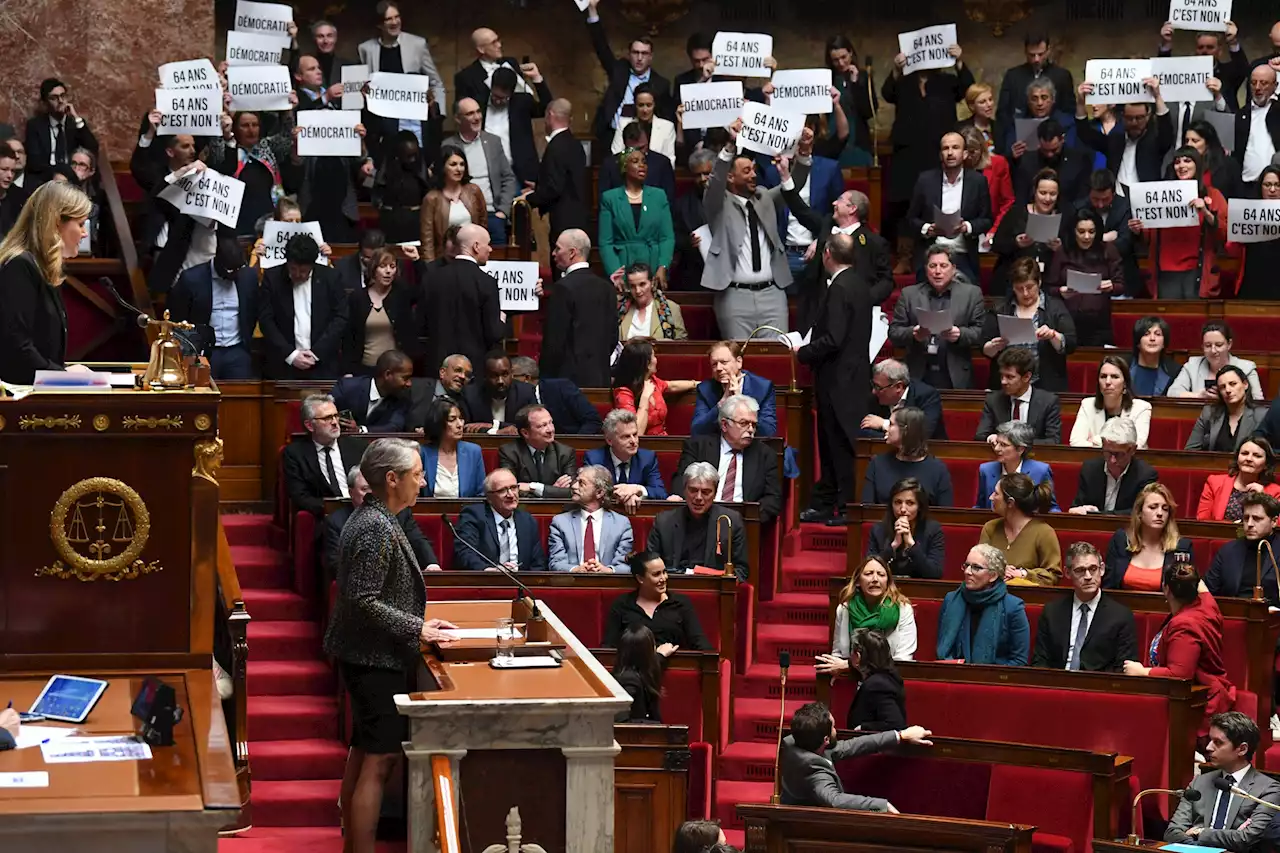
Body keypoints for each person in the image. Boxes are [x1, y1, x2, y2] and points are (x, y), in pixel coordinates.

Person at [323, 438, 457, 853]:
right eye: (417, 474)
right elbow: (363, 601)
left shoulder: (377, 518)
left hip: (369, 654)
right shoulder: (376, 527)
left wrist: (418, 624)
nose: (423, 481)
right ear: (393, 478)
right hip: (372, 659)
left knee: (364, 751)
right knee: (378, 762)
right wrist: (417, 629)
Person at [1123, 562, 1236, 741]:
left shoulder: (1184, 626)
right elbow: (1202, 586)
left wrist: (1142, 672)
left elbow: (1180, 674)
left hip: (1195, 708)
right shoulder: (1207, 604)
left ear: (1166, 589)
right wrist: (1186, 569)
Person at [884, 42, 976, 263]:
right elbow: (887, 93)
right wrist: (897, 69)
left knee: (934, 198)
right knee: (905, 202)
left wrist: (959, 61)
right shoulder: (904, 81)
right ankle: (905, 257)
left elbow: (967, 87)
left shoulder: (946, 81)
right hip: (907, 151)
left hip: (937, 150)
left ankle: (939, 253)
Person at [700, 123, 793, 338]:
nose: (754, 175)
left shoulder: (764, 197)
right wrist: (730, 147)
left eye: (753, 169)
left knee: (775, 358)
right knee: (738, 361)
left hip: (773, 294)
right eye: (746, 171)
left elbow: (791, 187)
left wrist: (801, 159)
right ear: (731, 178)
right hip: (734, 296)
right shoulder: (717, 204)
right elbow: (714, 183)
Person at [776, 162, 892, 335]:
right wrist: (785, 176)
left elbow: (887, 281)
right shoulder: (826, 227)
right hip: (817, 312)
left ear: (852, 209)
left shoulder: (873, 242)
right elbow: (801, 210)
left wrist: (864, 298)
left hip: (852, 317)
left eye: (840, 200)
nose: (834, 203)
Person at [0, 181, 92, 383]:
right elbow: (16, 347)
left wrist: (64, 371)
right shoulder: (20, 266)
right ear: (57, 222)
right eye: (80, 224)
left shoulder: (42, 268)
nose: (84, 233)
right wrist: (63, 377)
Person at [779, 701, 933, 812]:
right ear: (825, 740)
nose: (836, 730)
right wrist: (882, 805)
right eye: (833, 727)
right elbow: (835, 800)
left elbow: (851, 746)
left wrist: (900, 735)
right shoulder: (814, 772)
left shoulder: (798, 741)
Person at [1165, 711, 1280, 850]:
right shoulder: (1199, 782)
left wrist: (1201, 833)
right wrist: (1199, 848)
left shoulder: (1268, 790)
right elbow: (1172, 833)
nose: (1208, 747)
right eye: (1210, 740)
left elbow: (1245, 838)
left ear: (1242, 749)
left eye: (1218, 743)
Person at [1131, 147, 1229, 298]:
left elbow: (1225, 233)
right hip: (1165, 271)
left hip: (1197, 272)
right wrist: (1138, 230)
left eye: (1187, 161)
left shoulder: (1213, 195)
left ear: (1197, 164)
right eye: (1177, 162)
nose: (1181, 165)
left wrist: (1206, 212)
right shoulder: (1160, 194)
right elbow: (1148, 236)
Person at [889, 244, 988, 390]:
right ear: (926, 269)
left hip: (954, 372)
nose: (937, 271)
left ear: (953, 269)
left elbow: (980, 332)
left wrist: (960, 334)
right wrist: (913, 333)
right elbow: (894, 332)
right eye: (933, 266)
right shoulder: (909, 294)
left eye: (943, 266)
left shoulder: (971, 294)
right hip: (919, 371)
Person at [671, 395, 783, 524]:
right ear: (724, 425)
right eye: (744, 423)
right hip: (699, 521)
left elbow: (773, 499)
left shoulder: (765, 455)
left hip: (744, 525)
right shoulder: (698, 447)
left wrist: (747, 518)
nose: (751, 430)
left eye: (754, 424)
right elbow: (681, 480)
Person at [1032, 542, 1137, 671]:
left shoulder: (1121, 616)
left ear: (1102, 569)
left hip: (1098, 687)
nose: (1088, 576)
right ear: (1067, 572)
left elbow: (1122, 667)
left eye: (1093, 569)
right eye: (1080, 570)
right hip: (1058, 684)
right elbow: (1040, 660)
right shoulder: (1052, 612)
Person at [166, 234, 259, 380]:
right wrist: (189, 352)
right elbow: (178, 318)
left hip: (237, 349)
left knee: (242, 394)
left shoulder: (248, 276)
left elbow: (252, 312)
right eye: (230, 271)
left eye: (238, 269)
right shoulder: (191, 279)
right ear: (217, 261)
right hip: (203, 351)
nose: (235, 274)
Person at [257, 234, 349, 380]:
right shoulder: (272, 278)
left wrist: (317, 352)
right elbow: (266, 320)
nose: (297, 274)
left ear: (312, 265)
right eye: (293, 269)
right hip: (283, 365)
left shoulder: (330, 277)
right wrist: (291, 355)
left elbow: (340, 317)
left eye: (303, 271)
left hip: (322, 365)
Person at [903, 132, 992, 280]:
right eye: (946, 148)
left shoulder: (977, 182)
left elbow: (986, 219)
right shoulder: (925, 180)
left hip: (962, 255)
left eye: (955, 147)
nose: (950, 153)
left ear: (964, 154)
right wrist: (928, 229)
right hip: (932, 253)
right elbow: (911, 219)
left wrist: (967, 227)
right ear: (940, 154)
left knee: (969, 294)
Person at [583, 0, 672, 148]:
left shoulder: (661, 84)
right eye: (635, 53)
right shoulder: (619, 70)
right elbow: (601, 47)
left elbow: (664, 120)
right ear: (629, 54)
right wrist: (592, 11)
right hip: (610, 136)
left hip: (643, 141)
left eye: (644, 53)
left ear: (651, 57)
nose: (639, 58)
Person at [324, 464, 439, 579]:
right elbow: (334, 564)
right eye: (364, 489)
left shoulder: (400, 513)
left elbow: (417, 540)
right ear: (351, 492)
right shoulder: (336, 522)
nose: (370, 495)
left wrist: (431, 563)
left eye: (373, 489)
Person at [981, 257, 1077, 394]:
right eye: (1019, 289)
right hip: (1006, 386)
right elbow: (984, 348)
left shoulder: (1055, 308)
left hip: (1045, 386)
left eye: (1030, 287)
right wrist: (994, 346)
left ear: (1039, 282)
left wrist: (1053, 336)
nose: (1025, 293)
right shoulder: (999, 309)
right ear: (1013, 287)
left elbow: (1070, 344)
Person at [419, 223, 504, 376]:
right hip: (472, 369)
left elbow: (421, 323)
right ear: (476, 246)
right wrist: (502, 319)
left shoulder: (431, 278)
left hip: (437, 365)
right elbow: (493, 334)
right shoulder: (487, 282)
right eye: (488, 244)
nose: (490, 249)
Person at [204, 110, 301, 238]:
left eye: (255, 125)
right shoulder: (228, 150)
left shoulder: (267, 147)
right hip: (236, 223)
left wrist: (288, 109)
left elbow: (286, 136)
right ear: (236, 129)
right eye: (245, 125)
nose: (251, 130)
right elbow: (218, 155)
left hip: (268, 221)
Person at [540, 230, 617, 389]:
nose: (553, 254)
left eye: (558, 249)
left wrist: (545, 378)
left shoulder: (562, 288)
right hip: (600, 378)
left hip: (568, 383)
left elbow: (554, 343)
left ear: (572, 253)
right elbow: (612, 338)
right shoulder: (607, 288)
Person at [647, 462, 748, 581]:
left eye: (706, 492)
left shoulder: (731, 521)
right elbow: (649, 566)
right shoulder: (664, 522)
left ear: (715, 494)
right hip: (671, 588)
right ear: (684, 490)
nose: (699, 497)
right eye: (693, 490)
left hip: (712, 590)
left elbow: (741, 571)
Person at [936, 544, 1031, 665]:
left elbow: (1019, 660)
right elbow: (941, 647)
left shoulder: (1013, 607)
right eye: (966, 566)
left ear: (993, 576)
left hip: (994, 679)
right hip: (954, 675)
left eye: (976, 567)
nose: (967, 572)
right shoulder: (951, 600)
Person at [1074, 79, 1174, 194]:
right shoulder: (1114, 139)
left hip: (1146, 200)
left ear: (1147, 116)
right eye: (1130, 118)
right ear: (1122, 117)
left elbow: (1166, 130)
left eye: (1139, 118)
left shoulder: (1155, 141)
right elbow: (1084, 133)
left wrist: (1157, 96)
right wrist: (1081, 102)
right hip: (1117, 200)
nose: (1134, 123)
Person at [821, 555, 918, 670]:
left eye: (881, 575)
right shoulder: (845, 609)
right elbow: (838, 654)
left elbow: (904, 661)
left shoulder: (903, 610)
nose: (875, 579)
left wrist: (850, 666)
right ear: (858, 581)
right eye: (868, 574)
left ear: (888, 581)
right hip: (852, 679)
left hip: (888, 680)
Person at [1047, 207, 1125, 346]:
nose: (1087, 237)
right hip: (1067, 320)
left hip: (1098, 322)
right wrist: (1061, 291)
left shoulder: (1108, 250)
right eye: (1081, 232)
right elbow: (1049, 287)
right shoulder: (1063, 252)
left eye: (1092, 232)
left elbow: (1121, 285)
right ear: (1073, 231)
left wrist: (1111, 286)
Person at [603, 551, 712, 652]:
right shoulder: (622, 605)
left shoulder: (681, 603)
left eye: (664, 572)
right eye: (656, 574)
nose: (663, 578)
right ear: (640, 578)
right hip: (634, 670)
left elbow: (699, 642)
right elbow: (609, 647)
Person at [443, 98, 517, 243]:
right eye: (470, 114)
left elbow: (508, 178)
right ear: (458, 118)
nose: (477, 117)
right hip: (463, 217)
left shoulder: (493, 142)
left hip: (493, 216)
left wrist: (503, 211)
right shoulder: (448, 145)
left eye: (478, 112)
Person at [523, 98, 589, 251]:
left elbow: (553, 189)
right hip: (579, 217)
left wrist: (529, 198)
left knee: (562, 267)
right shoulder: (575, 144)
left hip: (562, 222)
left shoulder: (555, 147)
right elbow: (568, 180)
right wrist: (540, 185)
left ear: (550, 115)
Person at [599, 147, 675, 279]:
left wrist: (663, 267)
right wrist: (615, 273)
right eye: (635, 161)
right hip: (623, 266)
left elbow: (666, 237)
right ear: (624, 167)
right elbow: (606, 242)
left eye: (644, 162)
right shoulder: (610, 198)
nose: (642, 165)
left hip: (653, 267)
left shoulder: (659, 196)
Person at [452, 468, 548, 572]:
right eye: (502, 490)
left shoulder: (527, 521)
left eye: (514, 488)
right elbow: (465, 553)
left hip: (520, 583)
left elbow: (538, 563)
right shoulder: (474, 516)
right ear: (489, 497)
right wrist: (488, 570)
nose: (511, 495)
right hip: (487, 583)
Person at [357, 1, 447, 109]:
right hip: (379, 116)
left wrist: (437, 109)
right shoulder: (365, 49)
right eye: (388, 19)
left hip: (409, 116)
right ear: (379, 24)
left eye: (397, 17)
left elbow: (436, 82)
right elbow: (360, 85)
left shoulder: (417, 44)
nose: (394, 22)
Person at [281, 395, 360, 516]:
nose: (334, 422)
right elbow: (300, 496)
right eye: (327, 418)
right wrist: (334, 510)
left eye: (335, 416)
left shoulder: (357, 447)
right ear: (309, 426)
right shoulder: (295, 453)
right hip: (325, 516)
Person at [1104, 482, 1193, 591]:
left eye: (1165, 509)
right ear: (1139, 513)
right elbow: (1108, 586)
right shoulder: (1121, 541)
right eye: (1153, 507)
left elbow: (1186, 593)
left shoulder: (1182, 547)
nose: (1160, 513)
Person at [979, 472, 1062, 586]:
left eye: (996, 494)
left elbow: (1053, 575)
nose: (991, 497)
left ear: (1010, 502)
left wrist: (1023, 573)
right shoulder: (990, 528)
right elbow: (978, 565)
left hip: (1028, 598)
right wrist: (999, 571)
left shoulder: (1044, 532)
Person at [862, 407, 954, 508]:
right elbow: (867, 511)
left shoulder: (938, 469)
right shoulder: (877, 464)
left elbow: (945, 514)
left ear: (905, 430)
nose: (886, 428)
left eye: (891, 424)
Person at [344, 247, 417, 376]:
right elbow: (350, 338)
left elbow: (423, 290)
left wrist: (417, 261)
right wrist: (348, 370)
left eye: (392, 266)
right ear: (373, 269)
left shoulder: (402, 295)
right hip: (364, 369)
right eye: (383, 266)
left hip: (396, 370)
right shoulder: (358, 298)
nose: (388, 271)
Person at [548, 465, 634, 573]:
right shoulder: (560, 522)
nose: (574, 486)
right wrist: (576, 569)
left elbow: (625, 565)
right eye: (576, 481)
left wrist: (607, 570)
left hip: (607, 583)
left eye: (581, 483)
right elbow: (556, 563)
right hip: (572, 584)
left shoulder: (621, 524)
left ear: (599, 493)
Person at [995, 33, 1076, 147]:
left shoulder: (1062, 75)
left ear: (1048, 51)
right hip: (1019, 138)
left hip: (1055, 140)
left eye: (1040, 54)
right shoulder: (1013, 76)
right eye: (1032, 55)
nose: (1036, 59)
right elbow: (1003, 113)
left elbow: (1069, 110)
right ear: (1025, 52)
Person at [974, 347, 1064, 443]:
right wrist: (991, 438)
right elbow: (980, 436)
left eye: (1010, 377)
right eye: (1002, 376)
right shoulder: (994, 400)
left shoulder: (1048, 401)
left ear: (1026, 377)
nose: (1003, 382)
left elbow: (1053, 440)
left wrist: (1016, 443)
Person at [1070, 417, 1158, 515]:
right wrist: (1078, 510)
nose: (1112, 460)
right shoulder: (1089, 469)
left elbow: (1140, 512)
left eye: (1119, 454)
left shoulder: (1145, 475)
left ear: (1133, 450)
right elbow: (1077, 505)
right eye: (1108, 452)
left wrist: (1098, 514)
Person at [485, 65, 554, 189]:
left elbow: (547, 107)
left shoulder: (521, 102)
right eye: (495, 96)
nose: (498, 101)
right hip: (487, 170)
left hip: (518, 172)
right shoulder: (480, 103)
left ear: (511, 94)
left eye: (503, 98)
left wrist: (537, 79)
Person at [611, 337, 697, 436]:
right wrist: (645, 398)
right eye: (653, 356)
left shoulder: (652, 380)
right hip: (642, 447)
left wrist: (698, 383)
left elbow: (672, 385)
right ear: (646, 363)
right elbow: (636, 433)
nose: (656, 359)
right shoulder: (623, 393)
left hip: (662, 441)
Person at [585, 409, 668, 510]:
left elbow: (660, 492)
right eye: (626, 437)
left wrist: (636, 489)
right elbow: (588, 492)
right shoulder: (594, 459)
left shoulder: (647, 458)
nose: (633, 441)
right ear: (609, 440)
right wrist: (624, 495)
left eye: (635, 434)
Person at [692, 341, 778, 438]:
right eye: (714, 364)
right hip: (719, 448)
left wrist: (741, 400)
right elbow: (697, 431)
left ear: (739, 362)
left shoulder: (762, 387)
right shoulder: (705, 389)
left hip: (752, 447)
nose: (719, 368)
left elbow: (768, 432)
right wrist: (721, 404)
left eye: (724, 362)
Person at [1206, 493, 1280, 605]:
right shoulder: (1228, 551)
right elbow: (1209, 592)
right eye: (1246, 518)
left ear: (1274, 521)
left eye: (1257, 519)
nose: (1249, 524)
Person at [865, 479, 945, 579]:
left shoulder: (933, 530)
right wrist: (893, 546)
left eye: (910, 503)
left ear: (919, 506)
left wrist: (912, 545)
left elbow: (935, 574)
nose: (902, 509)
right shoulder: (878, 530)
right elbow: (868, 572)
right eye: (898, 502)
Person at [24, 78, 99, 185]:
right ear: (45, 102)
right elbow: (34, 163)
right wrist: (60, 172)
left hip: (73, 179)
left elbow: (92, 149)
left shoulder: (74, 124)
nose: (60, 101)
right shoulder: (35, 126)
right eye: (54, 98)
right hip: (44, 180)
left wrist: (76, 118)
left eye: (63, 96)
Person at [498, 404, 579, 500]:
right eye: (543, 425)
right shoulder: (509, 452)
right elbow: (510, 490)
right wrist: (553, 491)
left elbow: (573, 491)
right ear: (525, 433)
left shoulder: (565, 453)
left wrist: (534, 488)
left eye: (551, 423)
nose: (550, 429)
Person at [419, 145, 486, 261]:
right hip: (444, 260)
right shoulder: (432, 198)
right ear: (443, 167)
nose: (459, 169)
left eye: (462, 164)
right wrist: (430, 269)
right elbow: (427, 241)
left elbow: (483, 227)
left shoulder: (474, 191)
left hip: (471, 258)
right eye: (453, 164)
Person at [1070, 356, 1152, 449]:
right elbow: (1075, 442)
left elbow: (1136, 445)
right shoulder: (1087, 405)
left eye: (1114, 377)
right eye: (1103, 376)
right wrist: (1118, 443)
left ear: (1125, 383)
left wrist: (1096, 440)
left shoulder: (1141, 408)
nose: (1108, 382)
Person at [975, 421, 1059, 511]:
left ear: (1020, 449)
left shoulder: (1041, 471)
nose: (996, 449)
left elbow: (1051, 508)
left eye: (1003, 445)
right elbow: (981, 506)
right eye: (997, 443)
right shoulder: (986, 470)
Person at [1169, 321, 1263, 400]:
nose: (1213, 351)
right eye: (1208, 345)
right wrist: (1199, 396)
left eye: (1219, 345)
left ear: (1229, 344)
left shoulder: (1246, 368)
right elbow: (1172, 393)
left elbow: (1258, 401)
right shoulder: (1192, 365)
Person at [510, 356, 602, 436]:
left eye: (512, 377)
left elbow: (592, 420)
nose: (509, 382)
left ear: (527, 378)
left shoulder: (562, 388)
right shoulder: (515, 398)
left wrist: (575, 444)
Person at [1185, 365, 1267, 453]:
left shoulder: (1261, 416)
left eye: (1233, 384)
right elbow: (1190, 451)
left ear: (1245, 384)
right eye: (1222, 387)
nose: (1228, 390)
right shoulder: (1208, 413)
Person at [329, 350, 414, 434]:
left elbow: (394, 426)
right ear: (387, 375)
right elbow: (324, 411)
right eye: (405, 378)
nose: (409, 384)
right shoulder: (347, 387)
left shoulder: (402, 397)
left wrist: (360, 430)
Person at [1198, 437, 1280, 522]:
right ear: (1237, 458)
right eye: (1244, 453)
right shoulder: (1215, 483)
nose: (1249, 459)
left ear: (1266, 464)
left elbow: (1277, 525)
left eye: (1257, 456)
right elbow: (1203, 521)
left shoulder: (1276, 492)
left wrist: (1263, 499)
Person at [1012, 121, 1091, 208]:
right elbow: (1021, 198)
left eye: (1054, 150)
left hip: (1069, 214)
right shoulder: (1027, 162)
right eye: (1045, 150)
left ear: (1062, 139)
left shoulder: (1078, 161)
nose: (1049, 155)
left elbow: (1083, 197)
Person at [861, 360, 945, 441]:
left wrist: (885, 424)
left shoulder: (927, 396)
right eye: (874, 385)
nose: (874, 391)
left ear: (898, 387)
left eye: (878, 387)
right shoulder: (875, 398)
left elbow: (922, 434)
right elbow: (865, 432)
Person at [418, 398, 484, 498]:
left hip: (467, 512)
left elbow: (481, 494)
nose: (460, 425)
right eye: (452, 419)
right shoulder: (422, 453)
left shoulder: (473, 452)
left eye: (461, 418)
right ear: (438, 423)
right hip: (432, 512)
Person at [372, 132, 430, 243]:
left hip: (416, 224)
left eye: (415, 155)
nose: (412, 160)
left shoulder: (420, 168)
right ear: (398, 154)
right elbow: (377, 196)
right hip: (391, 224)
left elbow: (426, 193)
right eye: (408, 156)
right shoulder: (387, 170)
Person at [959, 124, 1014, 239]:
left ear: (982, 149)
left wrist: (995, 230)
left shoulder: (998, 163)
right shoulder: (956, 168)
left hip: (990, 229)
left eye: (973, 152)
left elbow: (1007, 201)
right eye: (965, 152)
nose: (969, 157)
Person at [1235, 165, 1280, 300]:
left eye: (1277, 185)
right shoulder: (1247, 213)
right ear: (1260, 187)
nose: (1272, 190)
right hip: (1253, 282)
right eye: (1267, 185)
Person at [462, 351, 535, 433]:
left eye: (505, 374)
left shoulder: (526, 393)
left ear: (511, 373)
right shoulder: (470, 395)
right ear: (485, 376)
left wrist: (495, 425)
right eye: (494, 375)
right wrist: (497, 431)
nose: (500, 381)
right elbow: (464, 428)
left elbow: (534, 427)